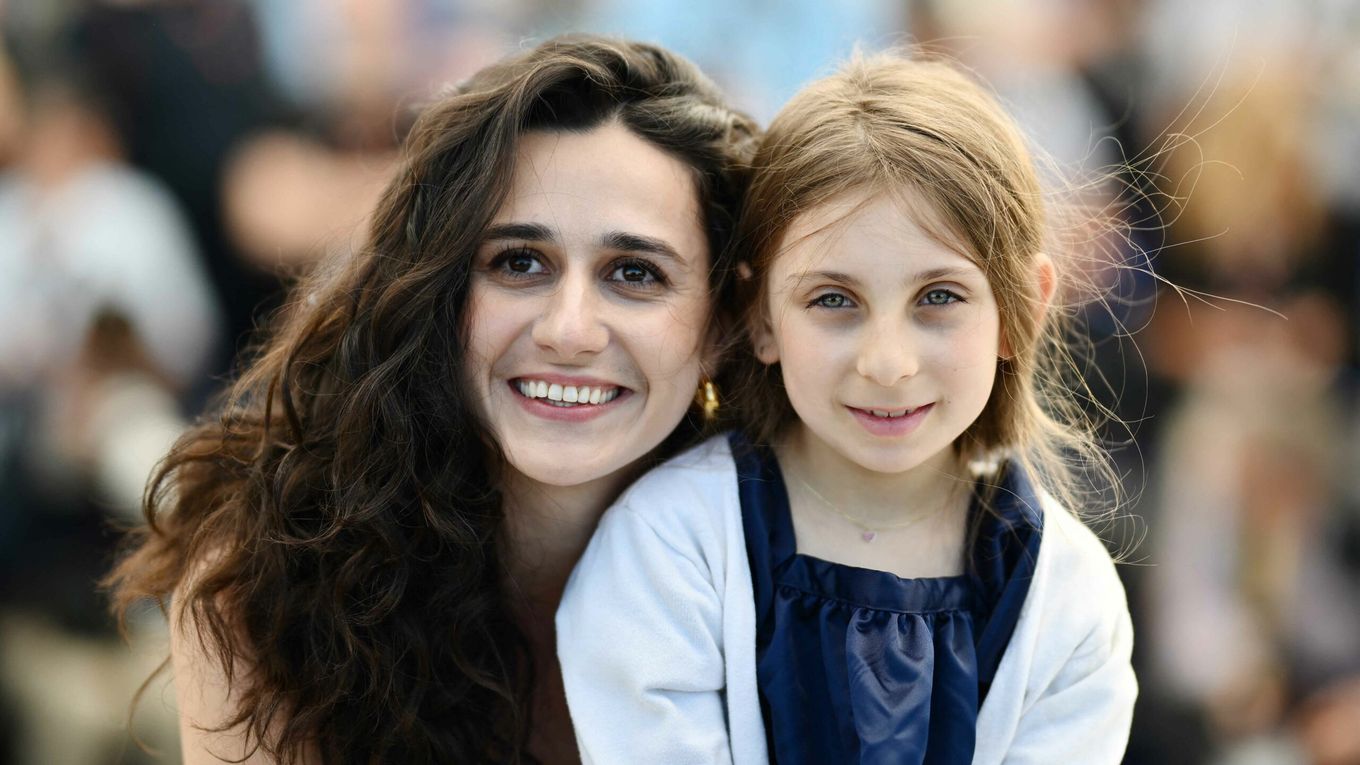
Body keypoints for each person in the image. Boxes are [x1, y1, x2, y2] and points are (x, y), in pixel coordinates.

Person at [104, 35, 758, 764]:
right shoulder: (270, 573)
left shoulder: (793, 567)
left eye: (634, 273)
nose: (569, 329)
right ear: (440, 291)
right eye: (518, 262)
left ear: (723, 326)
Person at [558, 52, 1137, 764]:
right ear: (760, 315)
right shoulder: (670, 549)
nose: (888, 363)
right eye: (834, 300)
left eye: (938, 298)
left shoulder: (1066, 592)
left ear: (1022, 310)